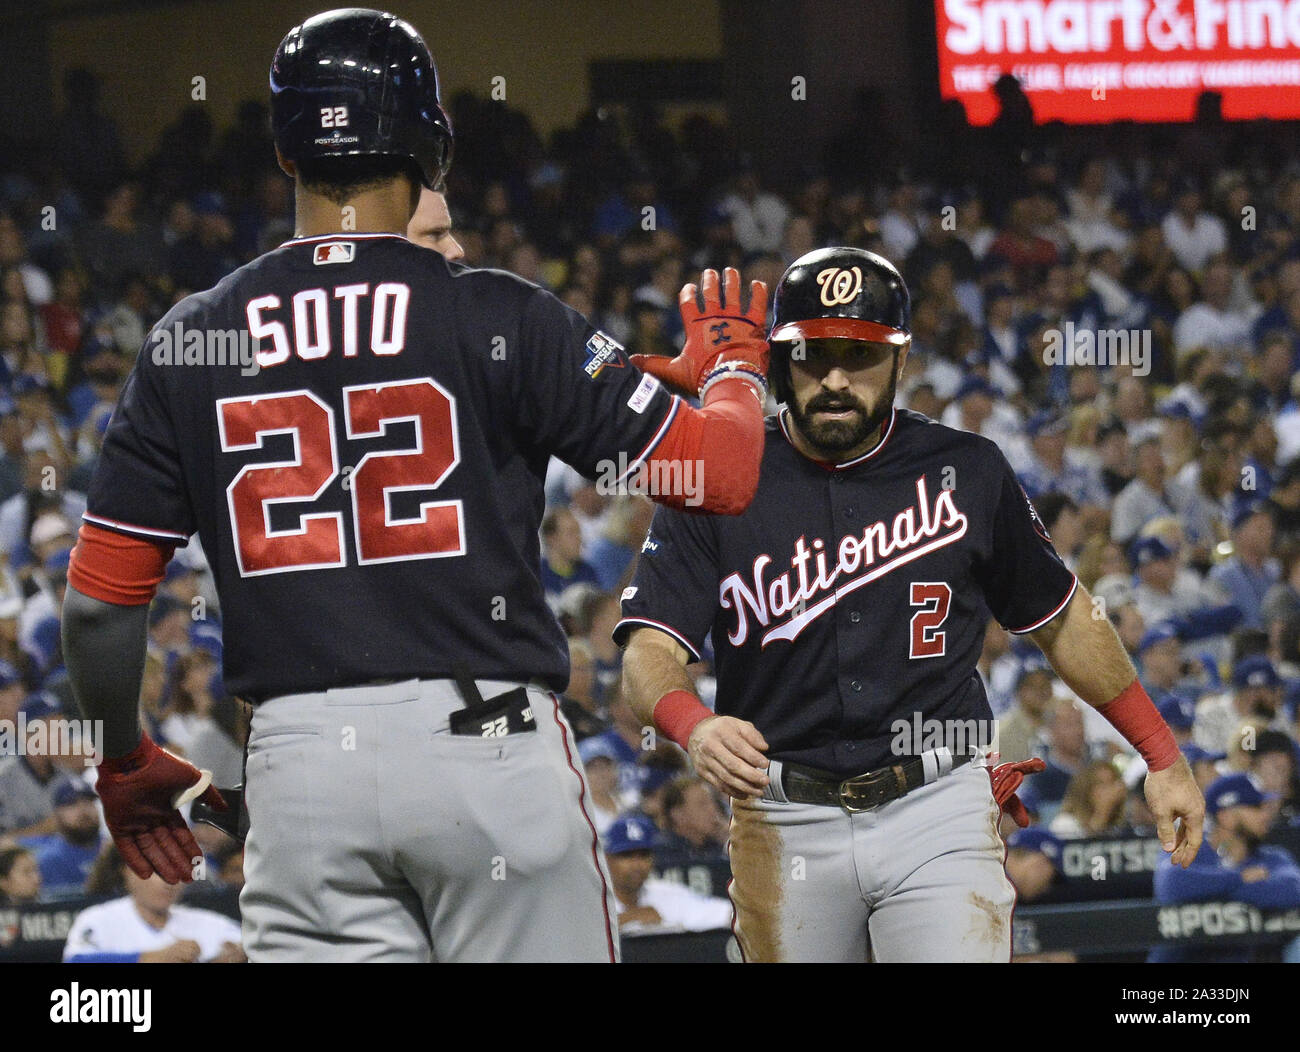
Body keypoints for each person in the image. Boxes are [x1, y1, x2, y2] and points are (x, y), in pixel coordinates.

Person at [60, 9, 770, 964]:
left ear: (285, 153)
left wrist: (124, 758)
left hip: (300, 776)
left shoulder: (192, 335)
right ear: (429, 146)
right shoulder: (493, 307)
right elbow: (720, 474)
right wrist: (733, 373)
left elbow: (102, 605)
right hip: (486, 748)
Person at [617, 246, 1204, 962]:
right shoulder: (718, 474)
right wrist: (693, 725)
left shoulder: (968, 468)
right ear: (776, 359)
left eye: (859, 356)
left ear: (901, 361)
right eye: (812, 355)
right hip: (783, 813)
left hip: (937, 803)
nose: (835, 379)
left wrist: (1161, 753)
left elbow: (1065, 619)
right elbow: (648, 651)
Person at [1150, 772, 1300, 963]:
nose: (1266, 814)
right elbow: (1170, 884)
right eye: (1256, 807)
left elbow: (1293, 890)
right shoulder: (1189, 848)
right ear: (1226, 816)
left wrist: (1207, 892)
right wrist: (1239, 879)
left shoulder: (1271, 857)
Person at [63, 842, 245, 963]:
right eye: (157, 872)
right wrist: (155, 958)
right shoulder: (99, 919)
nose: (169, 881)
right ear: (127, 871)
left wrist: (240, 955)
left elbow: (253, 944)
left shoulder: (206, 922)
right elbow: (76, 960)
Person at [602, 815, 732, 934]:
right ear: (607, 859)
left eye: (643, 855)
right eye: (626, 856)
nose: (637, 864)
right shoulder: (591, 901)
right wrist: (625, 920)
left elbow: (728, 914)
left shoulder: (668, 894)